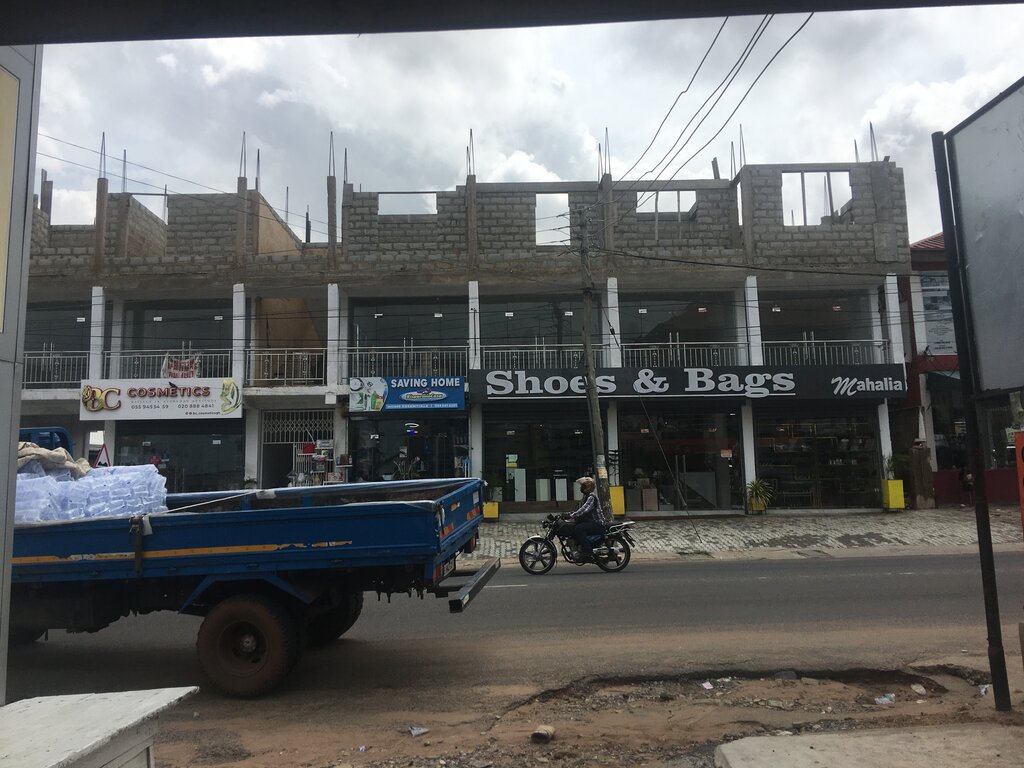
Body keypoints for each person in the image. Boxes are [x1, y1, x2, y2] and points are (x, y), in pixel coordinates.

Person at [564, 476, 609, 559]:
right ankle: (579, 547)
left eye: (583, 486)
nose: (581, 488)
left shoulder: (591, 497)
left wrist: (571, 515)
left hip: (597, 523)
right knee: (573, 527)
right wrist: (566, 514)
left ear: (588, 487)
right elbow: (578, 510)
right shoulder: (585, 497)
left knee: (579, 529)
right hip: (590, 522)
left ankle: (587, 551)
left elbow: (584, 510)